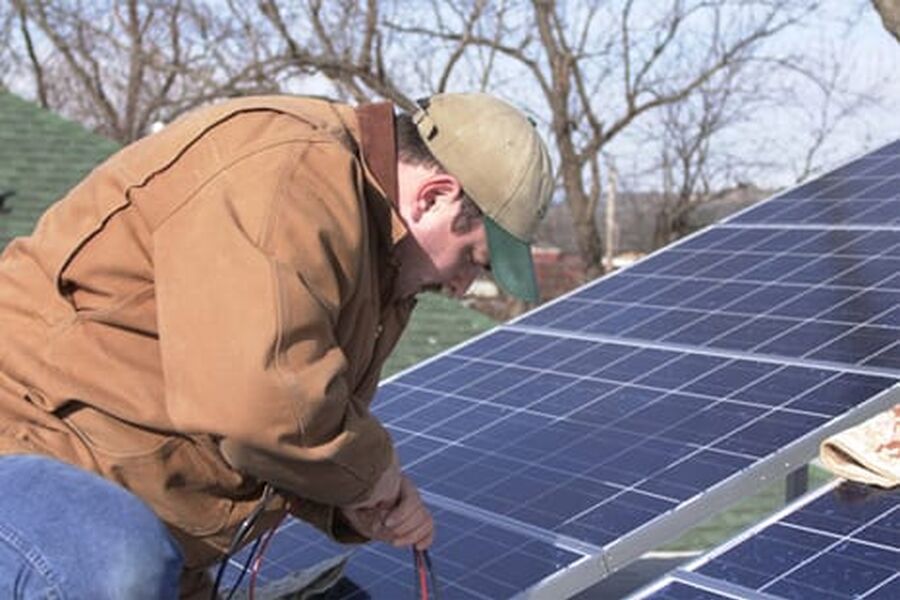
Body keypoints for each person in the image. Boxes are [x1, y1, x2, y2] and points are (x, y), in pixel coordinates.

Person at [0, 92, 552, 598]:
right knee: (118, 557)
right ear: (433, 197)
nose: (461, 287)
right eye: (473, 261)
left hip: (144, 519)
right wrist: (371, 472)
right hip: (24, 456)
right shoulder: (292, 173)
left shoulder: (381, 274)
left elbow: (284, 425)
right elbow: (260, 406)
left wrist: (353, 503)